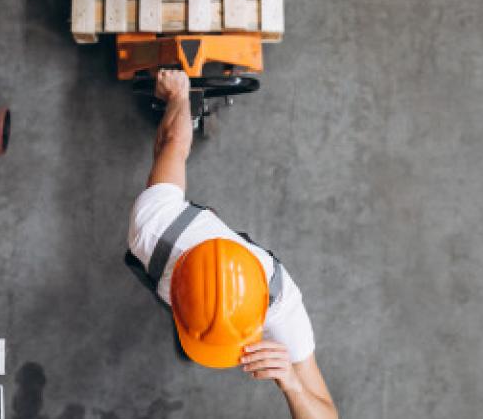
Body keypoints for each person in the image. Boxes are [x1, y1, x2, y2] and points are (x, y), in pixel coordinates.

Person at [125, 69, 338, 419]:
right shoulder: (153, 229)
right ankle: (192, 333)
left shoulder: (283, 307)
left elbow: (173, 147)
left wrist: (293, 384)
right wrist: (180, 97)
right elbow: (172, 146)